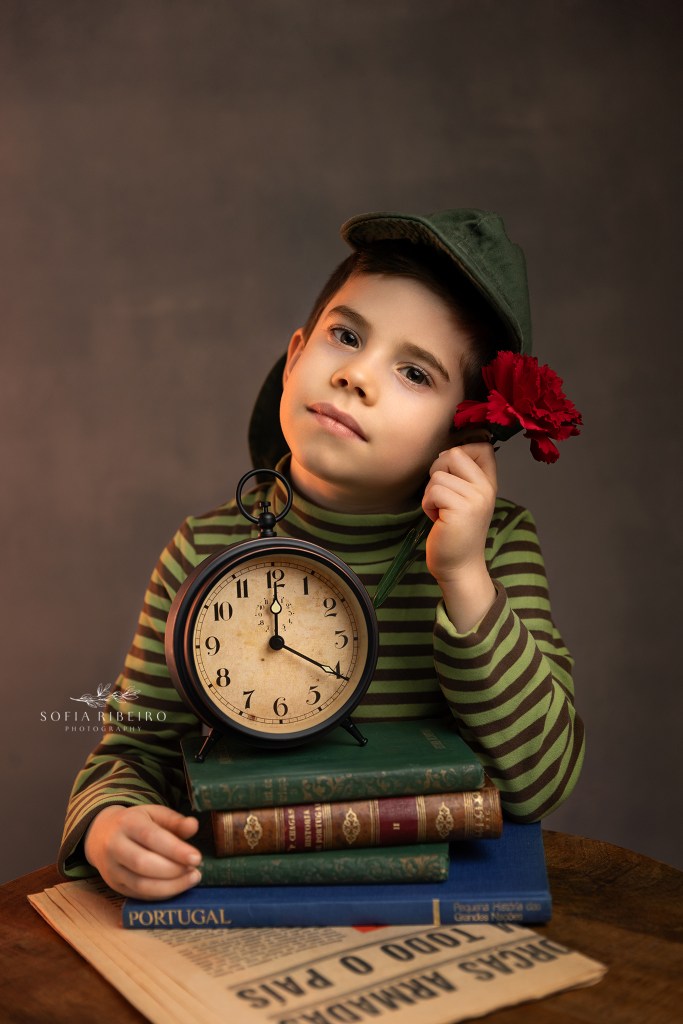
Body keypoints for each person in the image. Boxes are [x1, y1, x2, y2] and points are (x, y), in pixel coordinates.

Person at [59, 208, 585, 899]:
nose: (356, 376)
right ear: (296, 353)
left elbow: (535, 784)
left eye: (414, 374)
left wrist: (460, 575)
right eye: (345, 337)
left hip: (428, 901)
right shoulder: (202, 549)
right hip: (245, 890)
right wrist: (109, 823)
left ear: (465, 431)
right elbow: (134, 749)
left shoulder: (491, 551)